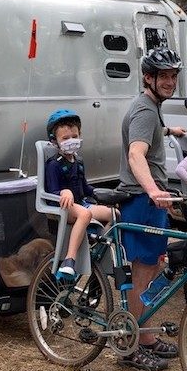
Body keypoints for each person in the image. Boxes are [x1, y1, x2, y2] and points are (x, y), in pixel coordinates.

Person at [116, 47, 187, 371]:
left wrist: (171, 131)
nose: (170, 82)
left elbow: (149, 134)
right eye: (164, 76)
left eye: (174, 76)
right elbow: (136, 154)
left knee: (151, 269)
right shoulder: (145, 110)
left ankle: (144, 336)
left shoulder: (150, 108)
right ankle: (131, 347)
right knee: (142, 276)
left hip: (148, 200)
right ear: (149, 77)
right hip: (142, 201)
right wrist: (154, 190)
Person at [43, 109, 112, 279]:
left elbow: (85, 188)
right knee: (85, 214)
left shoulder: (79, 161)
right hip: (62, 205)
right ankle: (69, 259)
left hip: (81, 204)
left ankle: (98, 251)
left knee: (114, 214)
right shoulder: (54, 164)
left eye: (74, 136)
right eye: (65, 139)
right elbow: (52, 190)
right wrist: (63, 192)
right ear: (54, 141)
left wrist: (104, 194)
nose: (71, 141)